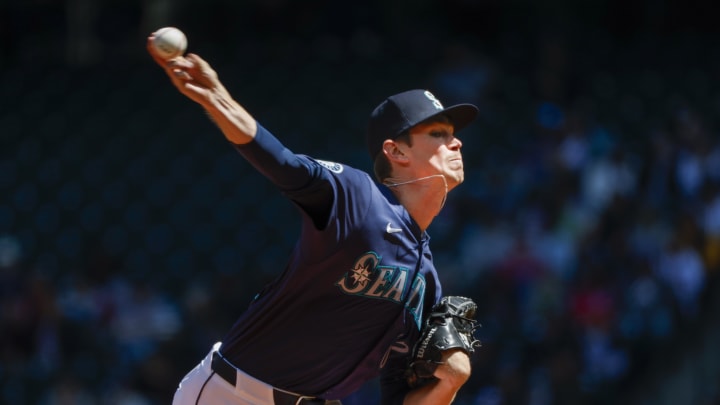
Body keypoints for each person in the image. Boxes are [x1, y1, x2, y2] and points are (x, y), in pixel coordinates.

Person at [146, 30, 480, 405]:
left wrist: (449, 383)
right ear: (397, 151)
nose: (456, 142)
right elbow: (283, 163)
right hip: (234, 393)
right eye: (438, 133)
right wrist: (217, 97)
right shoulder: (357, 197)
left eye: (453, 134)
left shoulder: (427, 282)